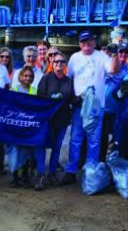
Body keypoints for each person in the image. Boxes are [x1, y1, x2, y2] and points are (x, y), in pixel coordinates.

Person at [61, 31, 119, 185]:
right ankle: (71, 170)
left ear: (94, 41)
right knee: (75, 138)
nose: (86, 44)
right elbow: (69, 78)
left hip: (95, 106)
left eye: (89, 41)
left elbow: (113, 70)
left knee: (94, 140)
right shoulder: (74, 57)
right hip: (78, 104)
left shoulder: (102, 56)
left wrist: (114, 54)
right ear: (79, 43)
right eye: (83, 41)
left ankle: (90, 172)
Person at [37, 52, 74, 185]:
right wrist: (50, 99)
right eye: (56, 62)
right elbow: (39, 97)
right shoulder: (46, 79)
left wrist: (84, 96)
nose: (59, 64)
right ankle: (41, 174)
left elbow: (72, 98)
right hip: (47, 120)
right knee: (41, 145)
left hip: (62, 119)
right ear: (52, 64)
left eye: (62, 62)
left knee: (57, 147)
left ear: (65, 65)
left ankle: (52, 173)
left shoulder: (69, 81)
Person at [10, 66, 48, 190]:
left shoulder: (34, 90)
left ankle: (26, 176)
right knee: (16, 151)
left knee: (27, 151)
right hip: (17, 126)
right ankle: (15, 177)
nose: (27, 78)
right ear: (20, 77)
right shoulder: (14, 90)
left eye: (30, 76)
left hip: (29, 127)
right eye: (25, 75)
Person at [101, 42, 128, 161]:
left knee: (116, 139)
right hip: (103, 108)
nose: (123, 54)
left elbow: (124, 92)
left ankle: (115, 164)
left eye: (126, 52)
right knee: (101, 139)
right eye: (121, 52)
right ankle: (100, 164)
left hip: (118, 111)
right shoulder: (106, 65)